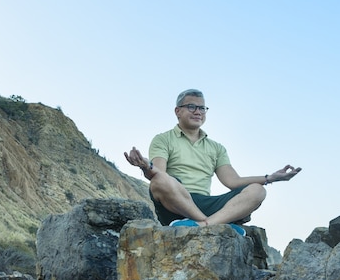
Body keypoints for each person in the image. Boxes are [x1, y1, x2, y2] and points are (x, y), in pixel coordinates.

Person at [124, 89, 301, 236]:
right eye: (191, 106)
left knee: (258, 190)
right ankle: (217, 225)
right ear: (178, 111)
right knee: (160, 181)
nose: (198, 111)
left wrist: (270, 177)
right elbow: (159, 173)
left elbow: (232, 182)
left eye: (202, 108)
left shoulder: (216, 148)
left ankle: (204, 225)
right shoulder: (163, 139)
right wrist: (146, 166)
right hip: (176, 202)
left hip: (206, 203)